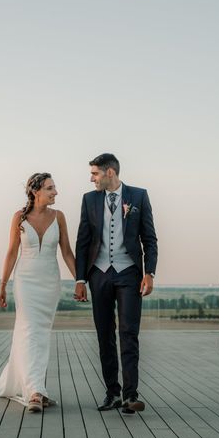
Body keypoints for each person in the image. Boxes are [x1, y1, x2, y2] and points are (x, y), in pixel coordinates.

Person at [74, 153, 158, 414]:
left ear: (110, 172)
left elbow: (150, 239)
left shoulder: (139, 196)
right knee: (104, 335)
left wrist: (150, 273)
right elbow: (83, 241)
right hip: (99, 273)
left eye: (95, 174)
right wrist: (80, 278)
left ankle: (130, 395)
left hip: (129, 273)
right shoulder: (89, 200)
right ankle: (112, 392)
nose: (92, 179)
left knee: (128, 334)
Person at [0, 173, 76, 413]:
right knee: (28, 330)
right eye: (50, 188)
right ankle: (35, 390)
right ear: (36, 191)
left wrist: (80, 280)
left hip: (49, 282)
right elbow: (11, 252)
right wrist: (3, 284)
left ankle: (33, 385)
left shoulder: (59, 217)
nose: (56, 192)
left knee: (40, 333)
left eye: (55, 187)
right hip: (25, 281)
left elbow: (67, 251)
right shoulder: (19, 217)